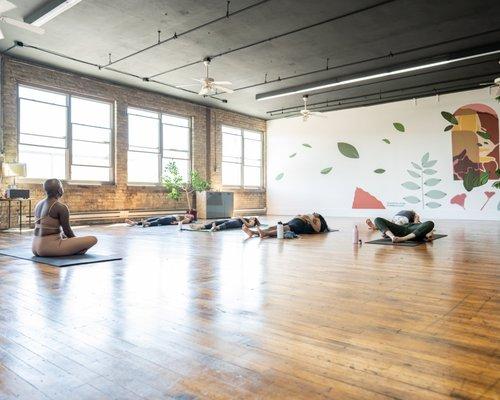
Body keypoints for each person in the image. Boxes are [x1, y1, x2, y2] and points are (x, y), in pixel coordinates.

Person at [32, 179, 97, 257]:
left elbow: (47, 228)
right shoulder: (60, 207)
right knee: (93, 239)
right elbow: (67, 231)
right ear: (60, 190)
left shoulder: (38, 204)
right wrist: (77, 244)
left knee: (63, 236)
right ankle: (74, 250)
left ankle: (69, 249)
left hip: (35, 246)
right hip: (48, 248)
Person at [243, 213, 329, 238]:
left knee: (283, 228)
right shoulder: (313, 216)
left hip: (300, 224)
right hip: (295, 221)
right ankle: (253, 232)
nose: (314, 212)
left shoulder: (318, 220)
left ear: (320, 216)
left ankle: (265, 234)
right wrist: (298, 216)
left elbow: (317, 229)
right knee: (274, 227)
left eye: (316, 213)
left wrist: (309, 219)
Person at [193, 216, 261, 232]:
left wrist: (241, 218)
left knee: (227, 223)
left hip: (238, 223)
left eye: (252, 217)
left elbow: (249, 225)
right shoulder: (248, 219)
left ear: (254, 219)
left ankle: (216, 228)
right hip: (235, 220)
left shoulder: (252, 221)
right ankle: (202, 227)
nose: (251, 217)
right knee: (218, 221)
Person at [125, 213, 194, 227]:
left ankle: (148, 224)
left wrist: (176, 223)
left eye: (189, 215)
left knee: (159, 221)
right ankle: (134, 223)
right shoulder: (184, 216)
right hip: (169, 217)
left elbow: (181, 222)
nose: (188, 214)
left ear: (191, 217)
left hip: (171, 219)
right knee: (151, 219)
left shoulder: (187, 219)